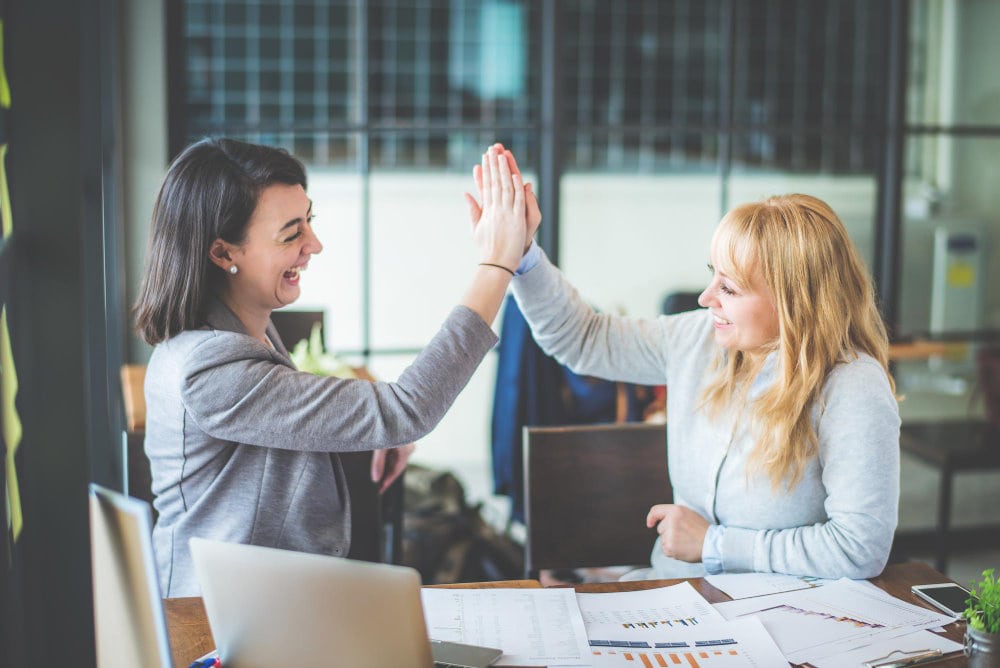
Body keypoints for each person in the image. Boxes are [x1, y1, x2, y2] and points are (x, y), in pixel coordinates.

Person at [470, 145, 900, 579]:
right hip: (684, 600)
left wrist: (714, 544)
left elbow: (858, 548)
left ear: (793, 304)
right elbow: (584, 338)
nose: (704, 298)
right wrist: (522, 255)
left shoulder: (853, 387)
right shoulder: (698, 339)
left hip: (787, 621)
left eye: (728, 289)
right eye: (712, 273)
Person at [133, 138, 528, 596]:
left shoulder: (237, 333)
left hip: (269, 604)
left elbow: (288, 406)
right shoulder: (211, 367)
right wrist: (497, 264)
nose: (314, 245)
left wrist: (362, 426)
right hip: (216, 626)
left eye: (309, 222)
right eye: (291, 233)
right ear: (224, 254)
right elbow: (405, 410)